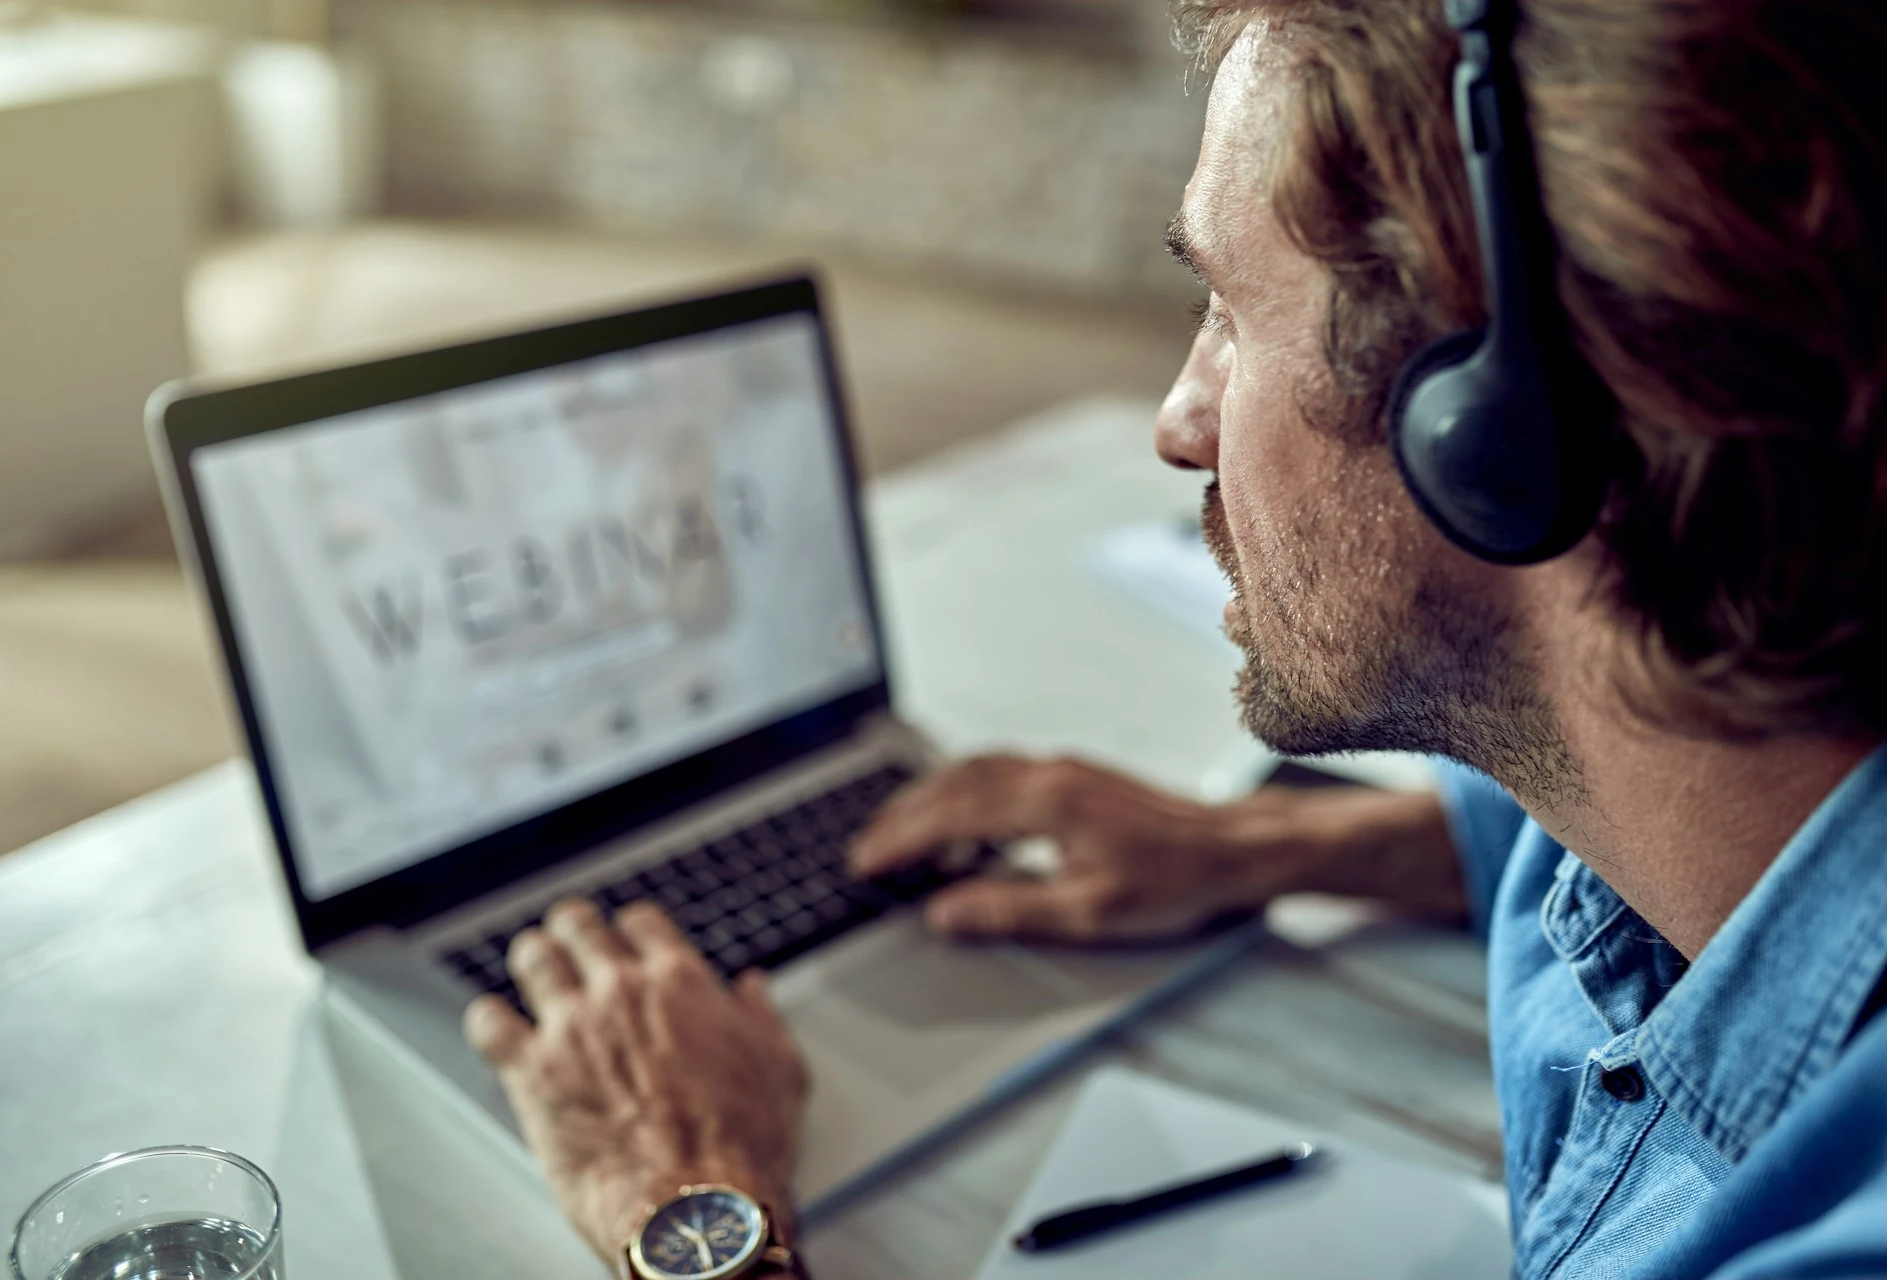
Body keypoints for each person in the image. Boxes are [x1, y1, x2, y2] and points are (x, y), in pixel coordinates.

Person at [458, 0, 1887, 1275]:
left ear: (1499, 438)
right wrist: (1260, 850)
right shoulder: (1693, 768)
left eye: (1226, 309)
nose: (1176, 420)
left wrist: (699, 1214)